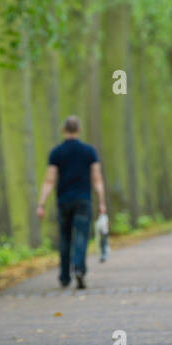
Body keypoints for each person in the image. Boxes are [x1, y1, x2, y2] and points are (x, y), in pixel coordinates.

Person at [36, 115, 107, 289]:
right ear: (79, 130)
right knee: (82, 235)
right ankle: (79, 268)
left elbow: (49, 180)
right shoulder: (89, 151)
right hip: (83, 200)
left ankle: (64, 277)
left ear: (63, 130)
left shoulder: (56, 152)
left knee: (65, 237)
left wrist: (41, 204)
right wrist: (102, 202)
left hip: (64, 201)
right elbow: (97, 178)